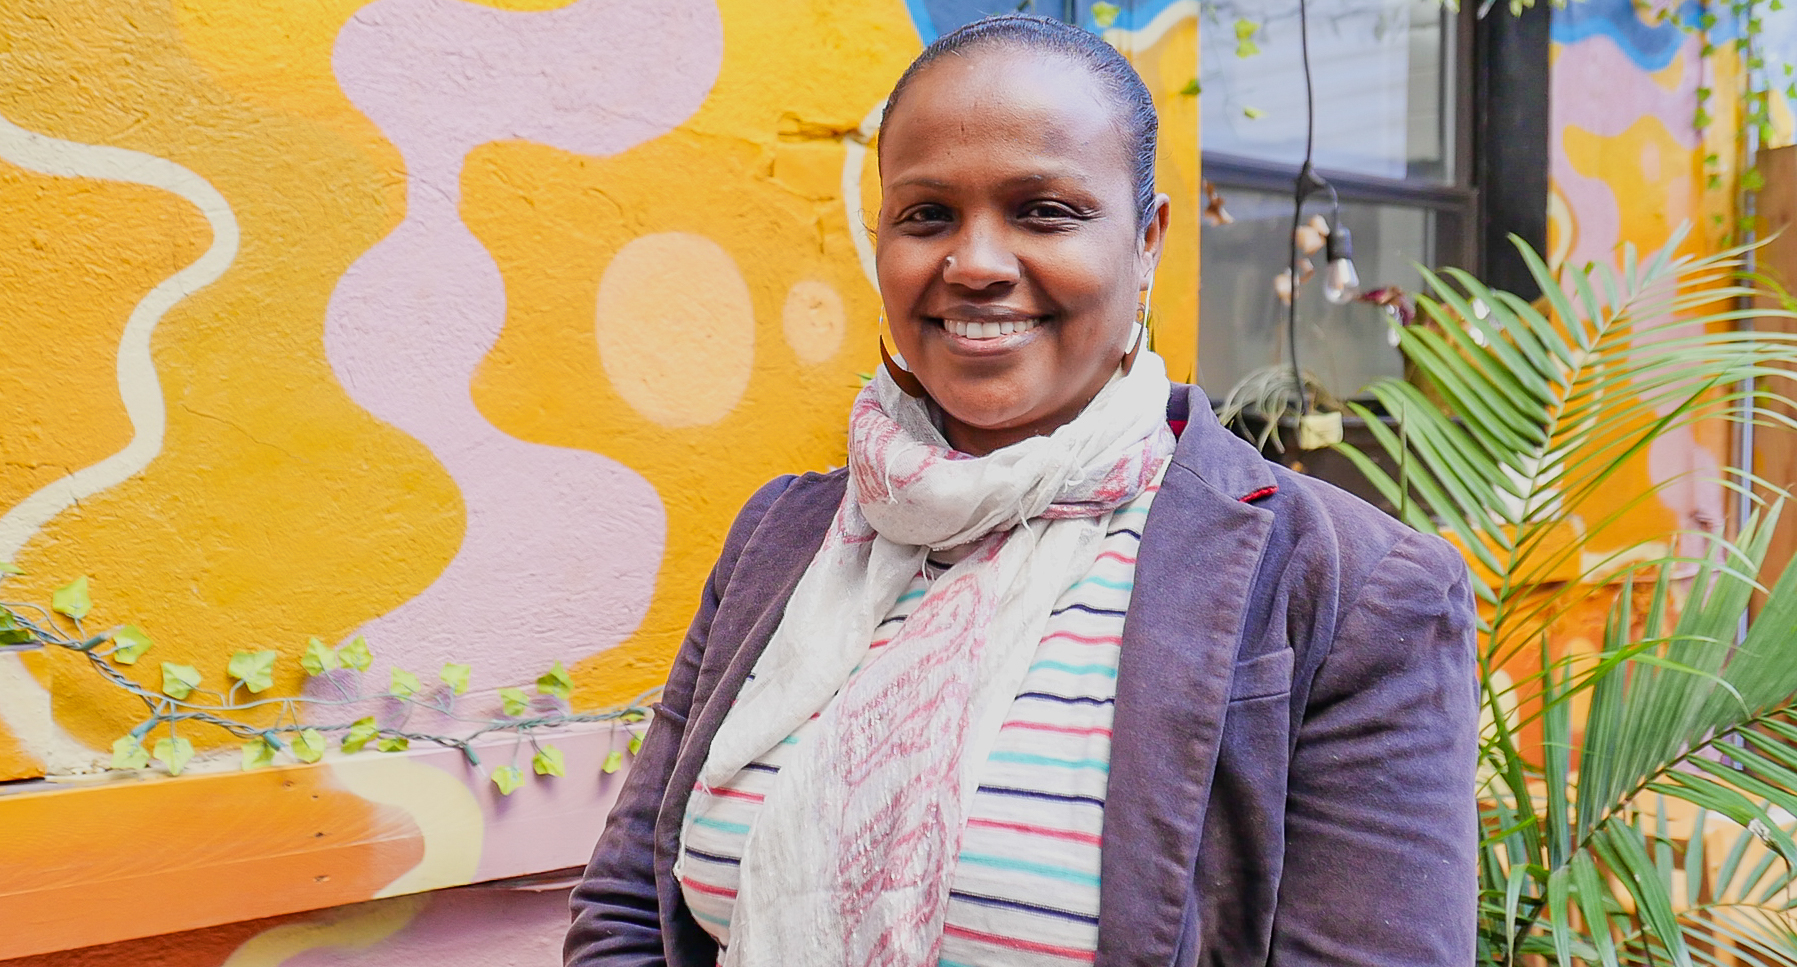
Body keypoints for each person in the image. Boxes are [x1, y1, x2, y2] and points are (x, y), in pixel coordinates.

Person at [565, 15, 1477, 967]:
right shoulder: (784, 537)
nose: (975, 264)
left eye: (1043, 210)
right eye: (926, 215)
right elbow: (629, 909)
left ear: (1148, 239)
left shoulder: (1350, 588)